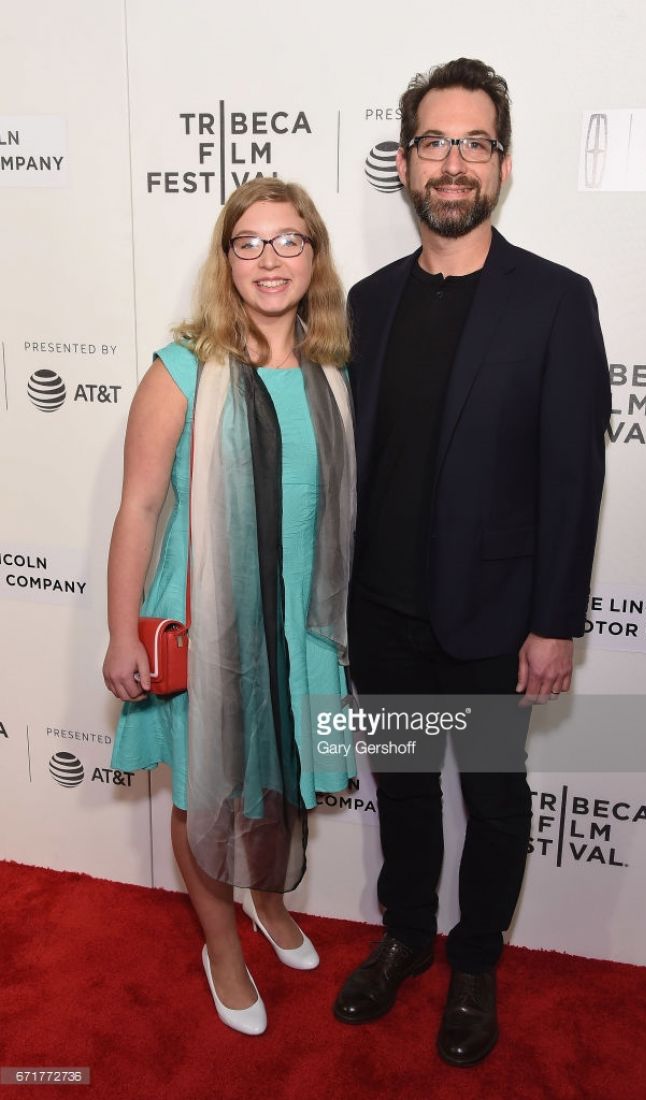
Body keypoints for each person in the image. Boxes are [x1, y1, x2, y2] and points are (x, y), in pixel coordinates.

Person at [333, 59, 611, 1066]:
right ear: (405, 162)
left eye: (474, 142)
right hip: (383, 610)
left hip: (495, 619)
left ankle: (477, 960)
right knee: (404, 789)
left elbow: (574, 475)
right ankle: (406, 934)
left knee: (493, 803)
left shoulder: (555, 300)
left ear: (503, 161)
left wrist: (555, 621)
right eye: (435, 142)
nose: (453, 163)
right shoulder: (366, 302)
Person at [103, 178, 356, 1035]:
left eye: (289, 240)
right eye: (248, 242)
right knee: (206, 792)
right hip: (203, 620)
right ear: (226, 261)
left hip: (300, 623)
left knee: (280, 774)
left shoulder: (331, 373)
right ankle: (221, 945)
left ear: (313, 256)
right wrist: (122, 632)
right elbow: (139, 508)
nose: (269, 259)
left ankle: (268, 901)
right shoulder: (181, 370)